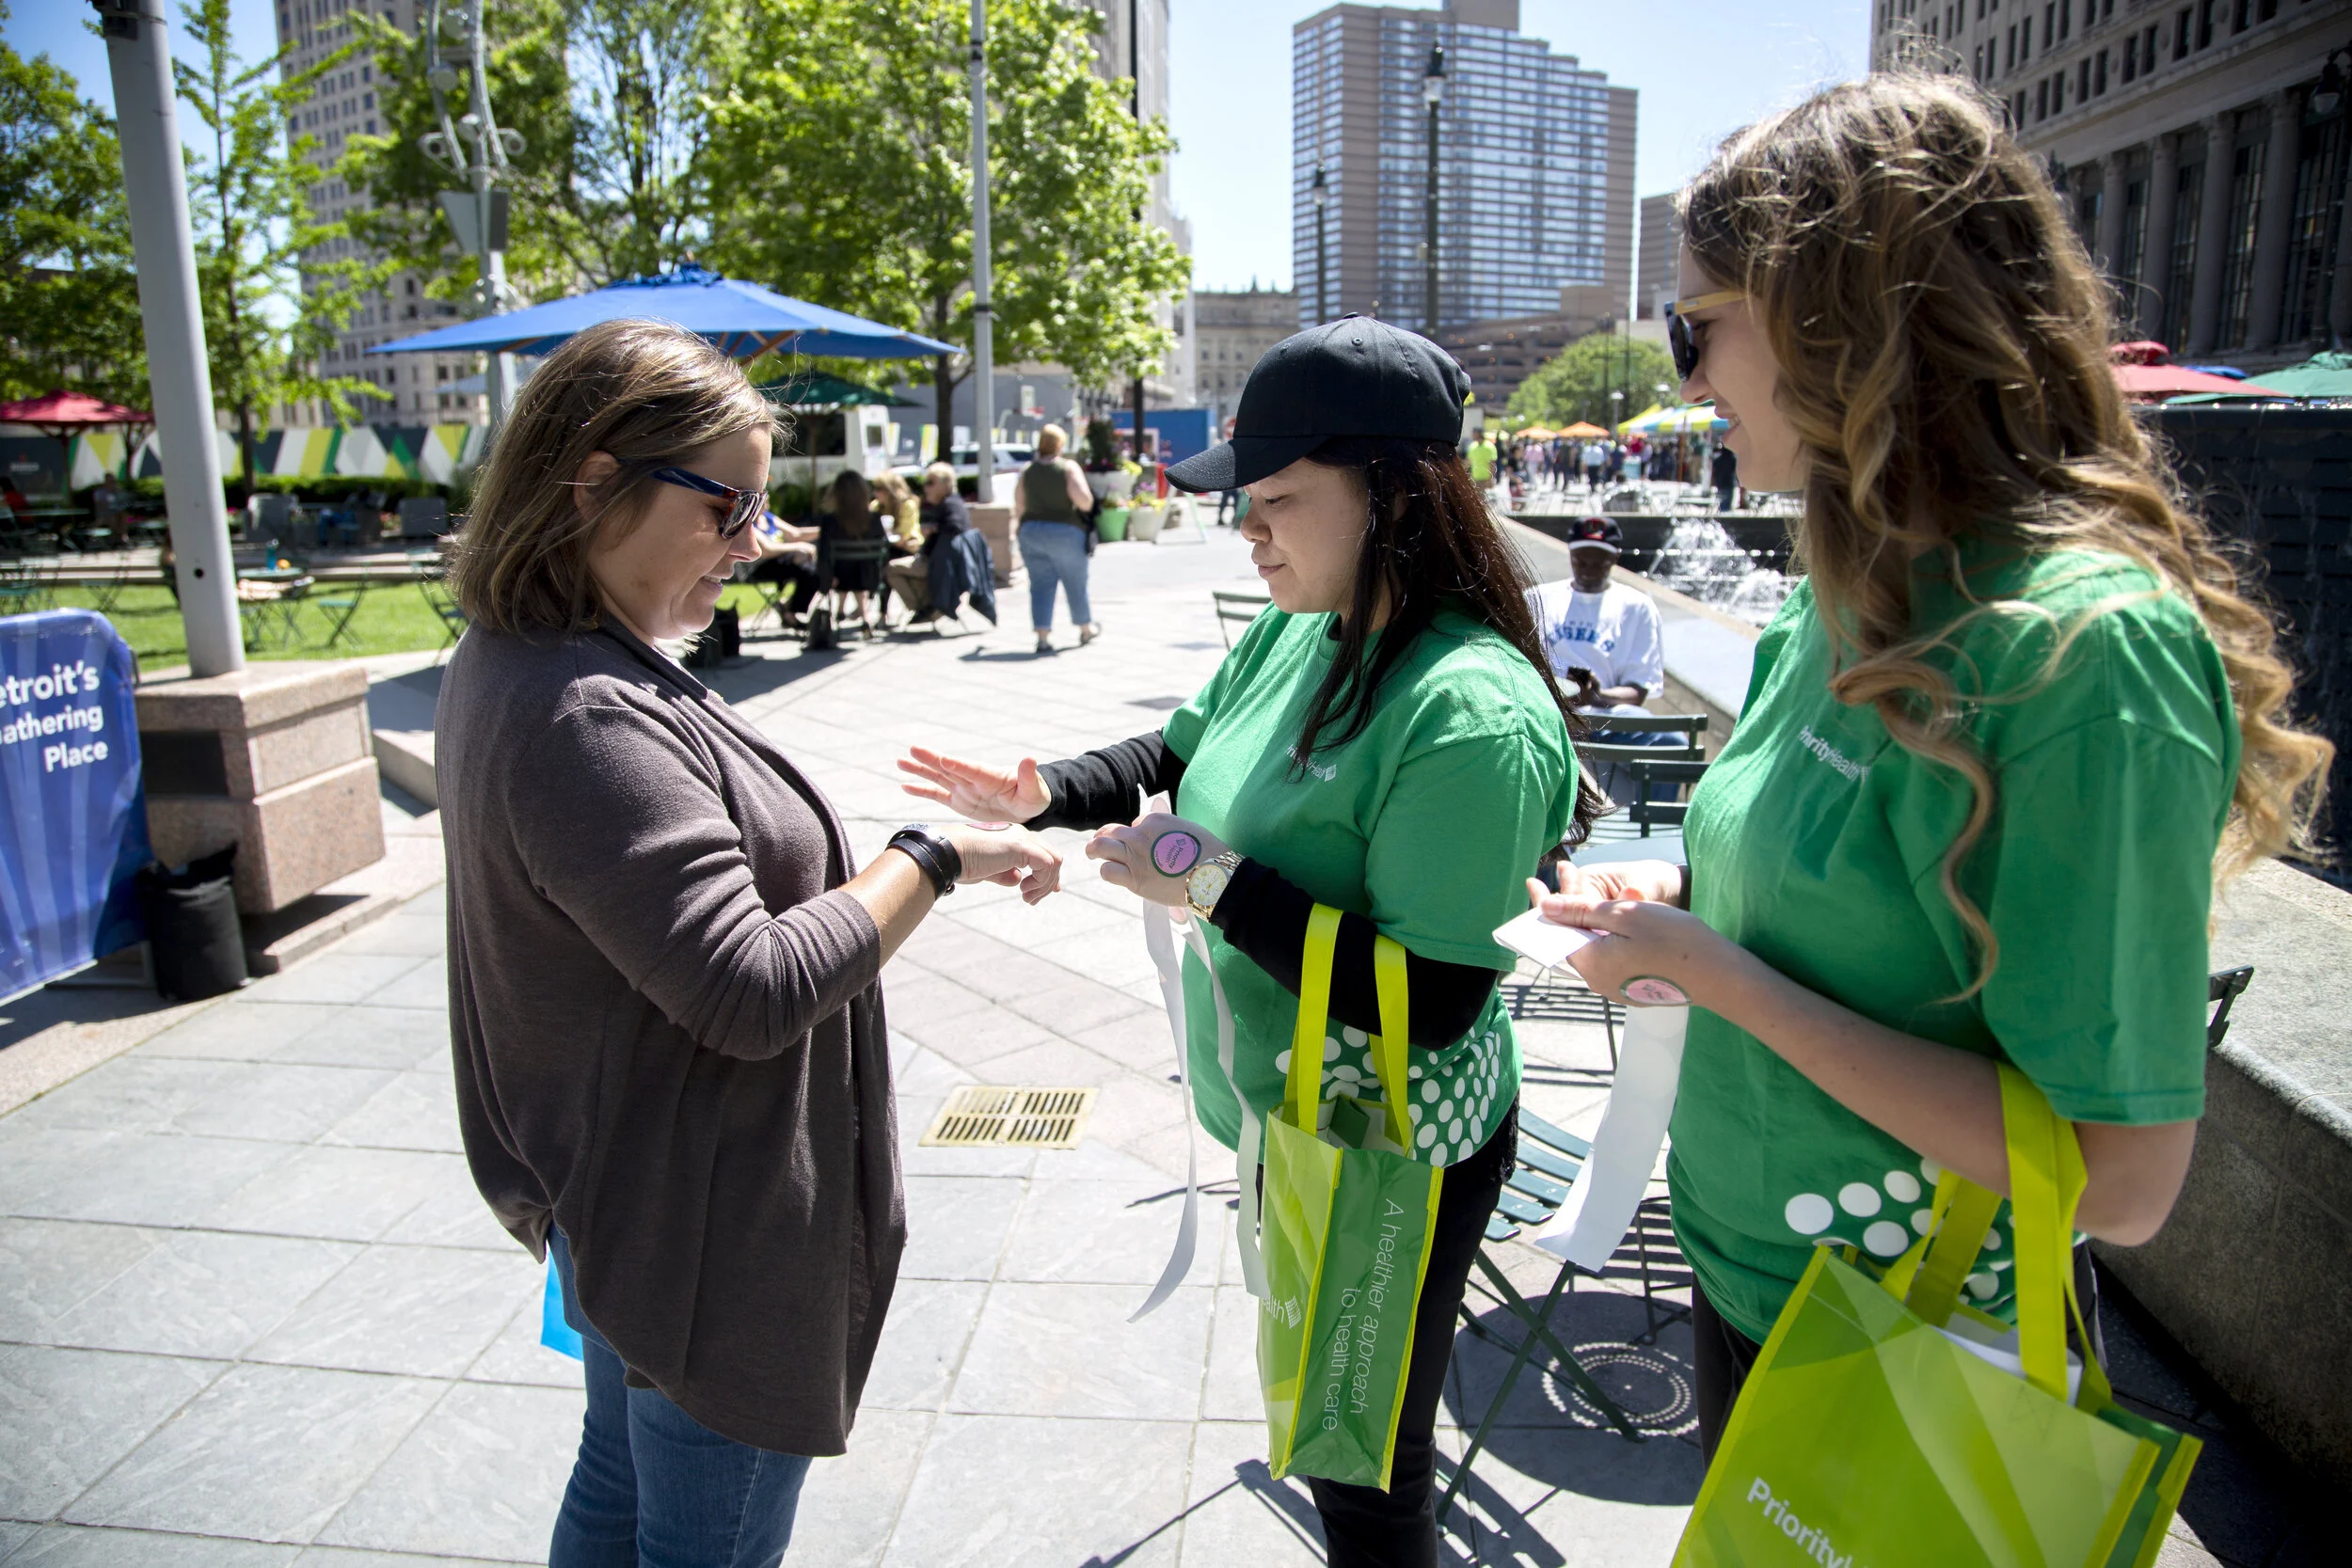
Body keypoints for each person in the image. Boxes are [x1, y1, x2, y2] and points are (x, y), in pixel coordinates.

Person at [1528, 76, 2331, 1465]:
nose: (1687, 378)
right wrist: (1696, 895)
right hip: (1746, 1277)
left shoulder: (2082, 655)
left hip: (1912, 1336)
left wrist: (1719, 973)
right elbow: (1837, 895)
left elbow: (2123, 1180)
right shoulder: (1847, 582)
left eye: (1695, 326)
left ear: (1837, 316)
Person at [897, 317, 1600, 1568]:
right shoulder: (1302, 625)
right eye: (1245, 503)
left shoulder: (1468, 708)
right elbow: (1179, 749)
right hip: (1294, 1116)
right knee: (1328, 1428)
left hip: (1397, 1147)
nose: (1249, 531)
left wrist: (1203, 877)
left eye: (1277, 499)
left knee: (1364, 1465)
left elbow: (1435, 999)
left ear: (1394, 497)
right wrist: (1041, 790)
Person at [433, 318, 1063, 1568]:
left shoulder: (540, 659)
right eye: (727, 505)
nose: (756, 539)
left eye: (762, 504)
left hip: (638, 1209)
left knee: (615, 1490)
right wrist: (926, 856)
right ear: (595, 482)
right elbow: (751, 987)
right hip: (703, 1234)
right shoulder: (579, 712)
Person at [1526, 515, 1668, 803]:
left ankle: (1654, 819)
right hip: (1547, 712)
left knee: (1669, 743)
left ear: (1615, 558)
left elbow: (1638, 691)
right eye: (1581, 561)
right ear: (1570, 554)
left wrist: (1598, 694)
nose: (1588, 571)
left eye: (1598, 564)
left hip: (1603, 718)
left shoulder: (1637, 608)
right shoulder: (1537, 599)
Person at [1011, 422, 1100, 653]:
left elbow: (1019, 506)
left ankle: (1042, 636)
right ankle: (1084, 628)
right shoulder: (1067, 468)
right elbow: (1084, 501)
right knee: (1075, 582)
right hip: (1065, 533)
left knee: (1040, 585)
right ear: (1060, 444)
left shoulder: (1027, 471)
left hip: (1031, 533)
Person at [884, 461, 971, 623]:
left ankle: (924, 608)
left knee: (891, 569)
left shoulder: (951, 504)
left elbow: (955, 525)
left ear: (945, 485)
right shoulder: (949, 504)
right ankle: (928, 606)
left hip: (938, 564)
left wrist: (933, 529)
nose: (926, 488)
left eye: (931, 483)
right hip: (935, 560)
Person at [872, 467, 921, 548]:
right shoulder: (875, 506)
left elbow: (903, 538)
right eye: (875, 488)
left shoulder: (907, 505)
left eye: (879, 489)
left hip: (906, 550)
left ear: (891, 490)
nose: (875, 492)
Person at [1709, 438, 1739, 512]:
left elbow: (1714, 470)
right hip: (1729, 483)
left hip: (1720, 483)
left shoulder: (1718, 460)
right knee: (1728, 503)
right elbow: (1736, 470)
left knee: (1722, 502)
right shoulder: (1733, 459)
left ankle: (1721, 516)